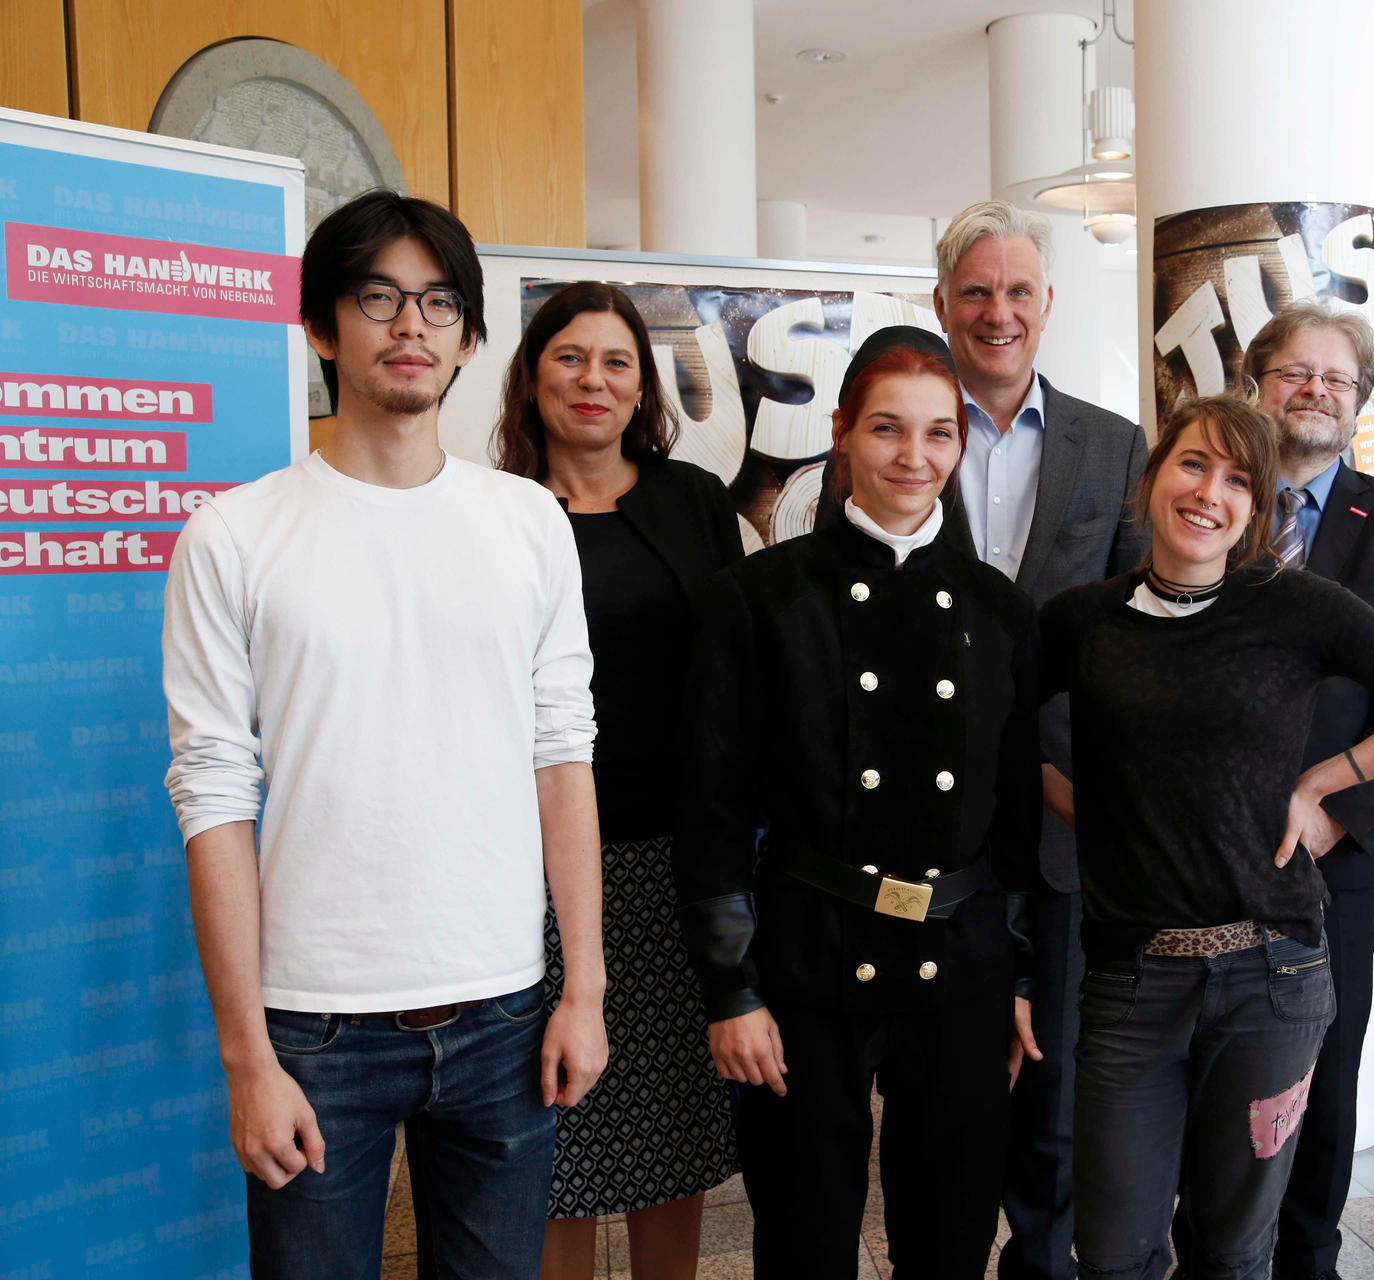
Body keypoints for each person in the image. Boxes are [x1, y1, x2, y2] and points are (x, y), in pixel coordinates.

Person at [161, 190, 607, 1279]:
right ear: (322, 328)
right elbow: (214, 791)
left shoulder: (529, 521)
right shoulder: (235, 534)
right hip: (311, 1025)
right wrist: (246, 1058)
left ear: (465, 336)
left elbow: (563, 753)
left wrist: (582, 987)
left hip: (504, 1008)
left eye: (439, 301)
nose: (412, 324)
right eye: (379, 297)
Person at [1038, 396, 1374, 1280]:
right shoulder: (1081, 621)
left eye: (1240, 479)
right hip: (1130, 981)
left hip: (1270, 981)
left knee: (1234, 1254)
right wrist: (1088, 807)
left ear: (1256, 508)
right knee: (1114, 1254)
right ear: (1154, 475)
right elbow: (1005, 735)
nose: (1211, 493)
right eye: (1194, 464)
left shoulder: (1293, 607)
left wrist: (1325, 783)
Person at [674, 327, 1042, 1280]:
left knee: (952, 1235)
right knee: (802, 1237)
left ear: (960, 442)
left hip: (960, 964)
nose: (912, 459)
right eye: (886, 429)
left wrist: (1024, 978)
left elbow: (1017, 825)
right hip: (805, 957)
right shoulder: (758, 597)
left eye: (936, 433)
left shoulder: (1001, 613)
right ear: (839, 432)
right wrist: (733, 991)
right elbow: (712, 811)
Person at [492, 281, 742, 1280]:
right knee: (554, 1130)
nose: (592, 380)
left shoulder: (693, 502)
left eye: (617, 362)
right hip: (534, 868)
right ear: (532, 374)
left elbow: (734, 680)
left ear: (644, 387)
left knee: (670, 1130)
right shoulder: (495, 512)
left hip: (673, 863)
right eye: (569, 357)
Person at [934, 199, 1150, 1280]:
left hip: (1066, 812)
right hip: (936, 819)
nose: (998, 310)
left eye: (1019, 290)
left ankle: (1044, 1262)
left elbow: (1141, 637)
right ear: (942, 304)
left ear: (1049, 306)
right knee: (958, 1070)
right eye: (977, 289)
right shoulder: (900, 431)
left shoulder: (1112, 447)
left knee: (1058, 1068)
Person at [1242, 303, 1374, 1280]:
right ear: (1260, 383)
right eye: (1295, 371)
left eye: (1336, 377)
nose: (1315, 389)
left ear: (1359, 399)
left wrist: (1336, 809)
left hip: (1346, 847)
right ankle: (1222, 1238)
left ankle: (1308, 1254)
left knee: (1324, 1056)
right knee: (1220, 1051)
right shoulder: (1211, 498)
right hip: (1210, 837)